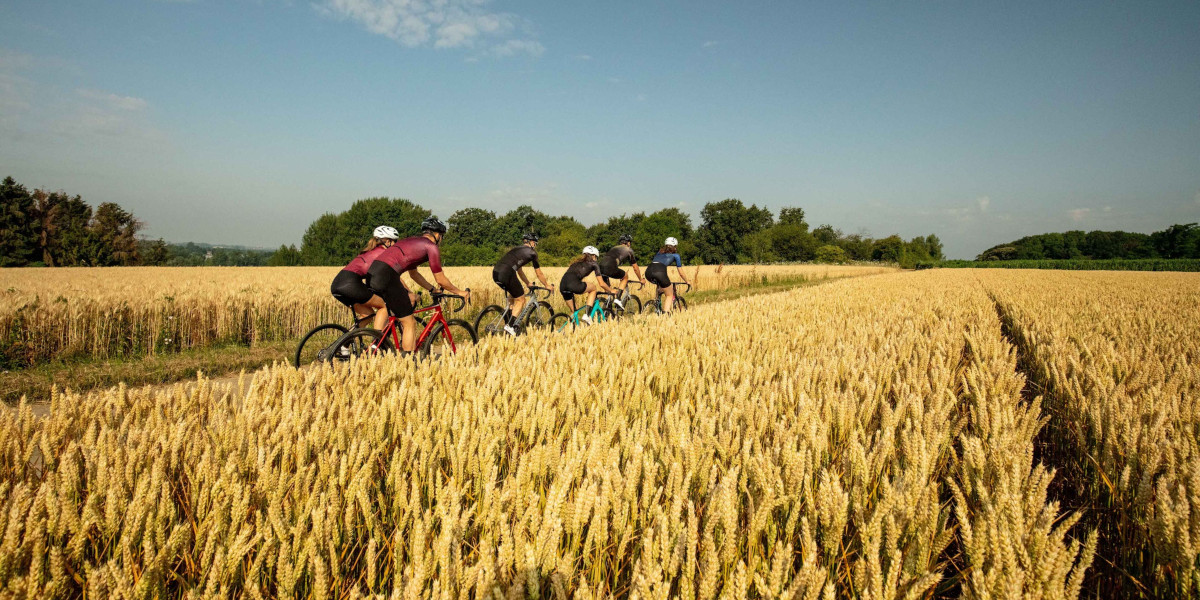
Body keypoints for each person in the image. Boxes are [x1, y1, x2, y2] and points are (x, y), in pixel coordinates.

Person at [367, 216, 471, 352]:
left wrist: (432, 288)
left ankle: (377, 345)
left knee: (397, 313)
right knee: (409, 322)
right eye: (442, 236)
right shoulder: (430, 246)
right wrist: (460, 292)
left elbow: (413, 274)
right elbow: (440, 279)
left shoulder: (411, 241)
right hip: (388, 276)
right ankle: (408, 362)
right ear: (437, 234)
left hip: (373, 273)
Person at [331, 225, 398, 331]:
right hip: (351, 283)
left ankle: (344, 345)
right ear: (388, 242)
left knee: (367, 314)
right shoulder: (384, 254)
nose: (396, 245)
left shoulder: (370, 251)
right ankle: (377, 341)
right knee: (384, 306)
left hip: (337, 284)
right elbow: (393, 277)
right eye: (395, 241)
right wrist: (406, 292)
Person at [491, 232, 554, 335]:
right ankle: (510, 326)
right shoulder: (532, 253)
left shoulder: (516, 250)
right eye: (535, 244)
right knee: (521, 300)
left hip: (496, 272)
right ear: (532, 242)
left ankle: (508, 324)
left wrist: (528, 282)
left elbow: (519, 270)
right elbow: (538, 273)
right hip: (507, 273)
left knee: (513, 298)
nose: (535, 246)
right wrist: (547, 285)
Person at [559, 246, 615, 324]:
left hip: (562, 285)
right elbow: (601, 283)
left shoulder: (576, 262)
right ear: (594, 256)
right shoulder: (594, 264)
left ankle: (568, 329)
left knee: (574, 310)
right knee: (593, 288)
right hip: (573, 284)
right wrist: (611, 290)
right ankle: (587, 315)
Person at [598, 233, 647, 309]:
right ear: (628, 242)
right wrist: (640, 279)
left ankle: (608, 309)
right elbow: (635, 267)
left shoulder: (614, 248)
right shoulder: (629, 250)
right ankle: (617, 299)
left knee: (610, 291)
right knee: (625, 276)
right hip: (610, 267)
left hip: (600, 267)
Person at [646, 237, 691, 313]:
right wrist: (687, 281)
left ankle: (657, 301)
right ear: (674, 247)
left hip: (648, 271)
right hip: (660, 271)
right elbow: (680, 272)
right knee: (669, 295)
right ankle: (665, 315)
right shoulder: (676, 256)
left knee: (661, 286)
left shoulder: (659, 252)